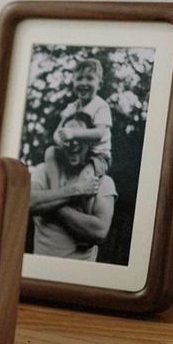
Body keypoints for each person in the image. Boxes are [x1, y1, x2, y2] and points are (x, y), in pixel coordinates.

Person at [30, 112, 117, 261]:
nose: (73, 143)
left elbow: (99, 232)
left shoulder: (103, 182)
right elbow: (29, 202)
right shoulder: (42, 172)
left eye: (79, 137)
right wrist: (76, 190)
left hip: (79, 273)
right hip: (40, 268)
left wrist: (49, 203)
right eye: (67, 137)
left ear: (90, 142)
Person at [44, 58, 112, 193]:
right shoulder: (72, 107)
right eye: (79, 78)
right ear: (73, 82)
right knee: (50, 152)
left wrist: (73, 133)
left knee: (85, 177)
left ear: (99, 84)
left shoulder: (101, 106)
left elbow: (99, 133)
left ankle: (80, 200)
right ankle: (55, 191)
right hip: (72, 152)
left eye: (90, 78)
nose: (83, 83)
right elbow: (57, 132)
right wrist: (60, 140)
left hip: (96, 156)